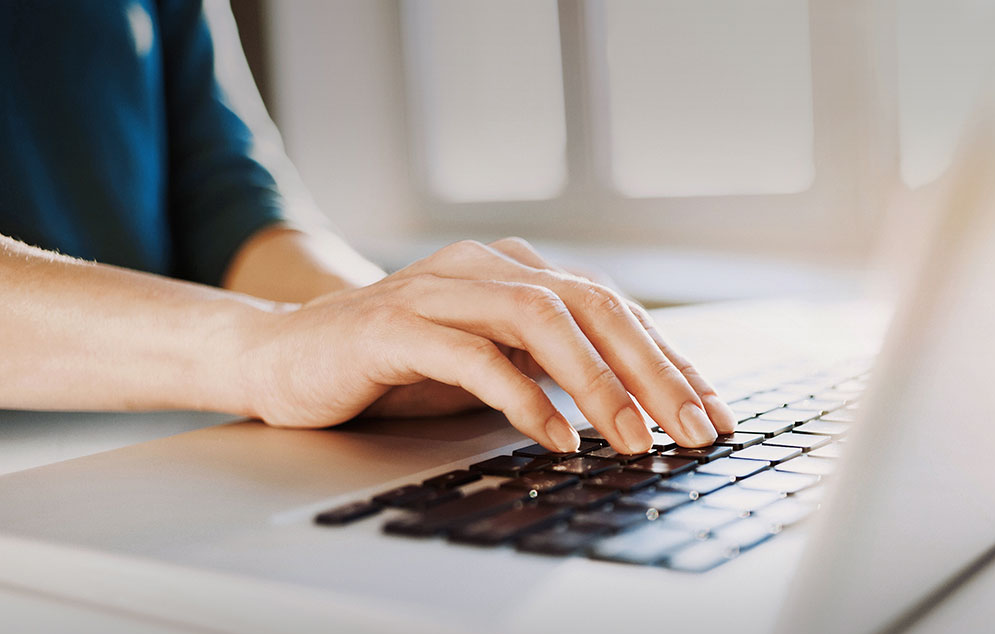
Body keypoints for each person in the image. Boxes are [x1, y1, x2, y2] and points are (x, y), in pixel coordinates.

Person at [0, 0, 737, 455]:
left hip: (159, 455)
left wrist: (390, 328)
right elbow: (260, 338)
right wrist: (261, 349)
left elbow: (233, 206)